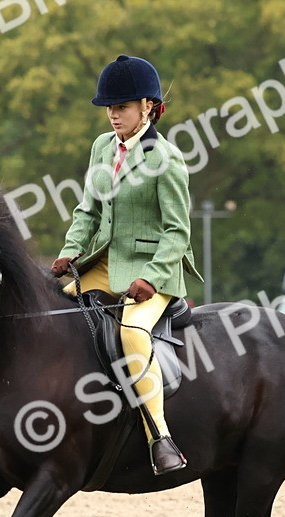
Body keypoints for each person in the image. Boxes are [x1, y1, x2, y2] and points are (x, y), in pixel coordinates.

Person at [51, 54, 203, 476]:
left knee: (133, 332)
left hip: (153, 271)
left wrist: (151, 278)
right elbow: (88, 211)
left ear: (147, 107)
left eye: (122, 107)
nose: (113, 115)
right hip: (105, 262)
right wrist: (70, 250)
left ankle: (160, 438)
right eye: (110, 108)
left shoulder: (167, 159)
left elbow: (177, 232)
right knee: (54, 313)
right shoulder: (102, 147)